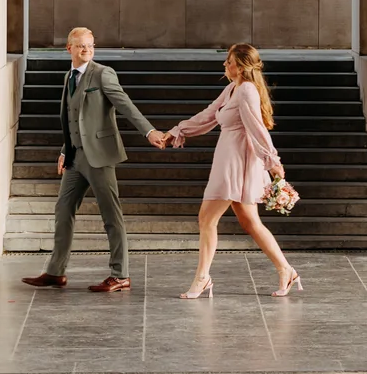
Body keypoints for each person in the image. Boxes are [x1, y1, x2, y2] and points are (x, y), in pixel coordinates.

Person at [20, 27, 168, 294]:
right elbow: (71, 119)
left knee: (111, 215)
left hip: (99, 156)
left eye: (90, 45)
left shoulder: (103, 74)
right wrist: (65, 150)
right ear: (69, 49)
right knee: (63, 211)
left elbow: (125, 105)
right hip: (76, 157)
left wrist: (149, 130)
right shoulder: (69, 77)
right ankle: (55, 272)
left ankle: (120, 274)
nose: (86, 50)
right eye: (80, 46)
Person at [163, 42, 300, 299]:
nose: (224, 65)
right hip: (229, 158)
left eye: (229, 61)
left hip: (238, 162)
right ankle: (286, 270)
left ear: (241, 66)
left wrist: (273, 163)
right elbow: (209, 115)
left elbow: (257, 129)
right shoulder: (232, 88)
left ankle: (202, 278)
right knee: (249, 222)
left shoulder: (247, 90)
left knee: (207, 218)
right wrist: (177, 131)